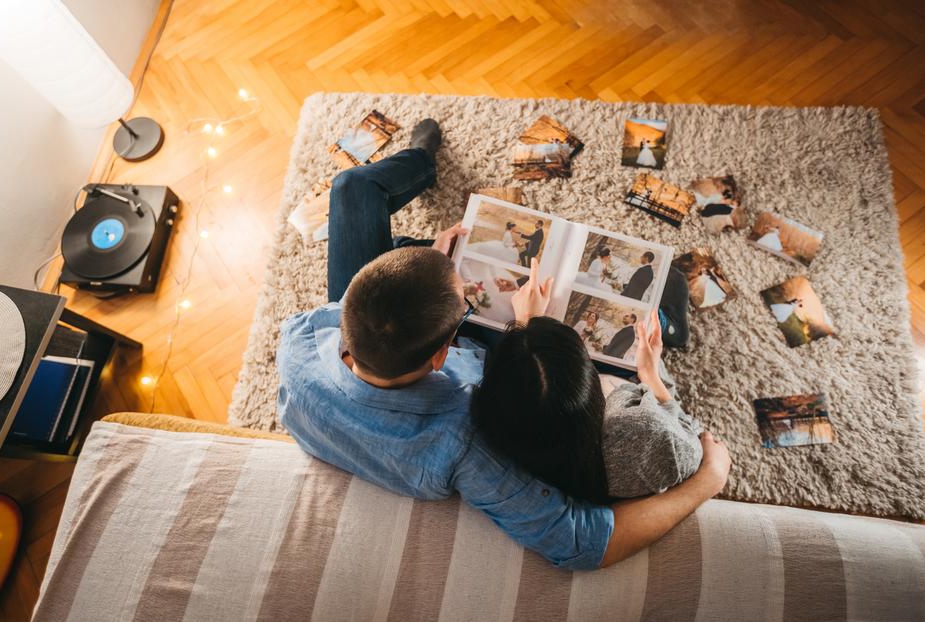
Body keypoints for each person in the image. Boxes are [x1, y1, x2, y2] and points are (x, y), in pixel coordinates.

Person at [277, 118, 730, 570]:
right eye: (462, 298)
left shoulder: (300, 338)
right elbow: (580, 543)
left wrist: (429, 268)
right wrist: (707, 480)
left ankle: (419, 165)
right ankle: (669, 320)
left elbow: (362, 311)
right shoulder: (462, 441)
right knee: (639, 332)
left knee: (352, 185)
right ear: (444, 353)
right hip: (482, 371)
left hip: (378, 341)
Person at [471, 309, 718, 506]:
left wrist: (530, 323)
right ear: (588, 387)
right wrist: (650, 375)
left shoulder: (497, 424)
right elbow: (690, 437)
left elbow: (535, 381)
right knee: (661, 316)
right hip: (643, 387)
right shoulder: (645, 432)